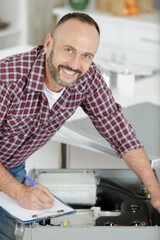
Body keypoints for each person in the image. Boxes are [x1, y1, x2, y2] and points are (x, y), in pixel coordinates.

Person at [0, 12, 160, 239]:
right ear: (48, 44)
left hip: (11, 167)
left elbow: (120, 134)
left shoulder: (88, 79)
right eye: (69, 50)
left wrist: (155, 191)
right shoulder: (7, 79)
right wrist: (17, 191)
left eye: (86, 55)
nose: (75, 64)